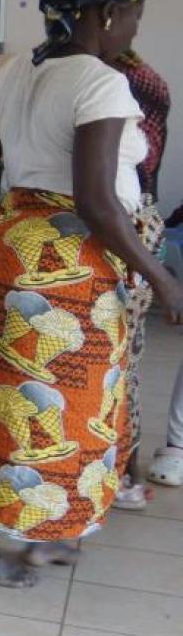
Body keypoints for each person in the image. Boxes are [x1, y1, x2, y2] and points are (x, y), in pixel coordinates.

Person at [0, 0, 182, 587]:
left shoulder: (13, 71)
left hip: (8, 248)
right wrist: (164, 279)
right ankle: (2, 547)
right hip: (70, 270)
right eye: (135, 16)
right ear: (109, 11)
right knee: (64, 414)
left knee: (17, 410)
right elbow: (95, 201)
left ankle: (27, 542)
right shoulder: (99, 82)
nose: (136, 30)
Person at [108, 51, 172, 498]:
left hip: (128, 228)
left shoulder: (135, 82)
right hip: (126, 223)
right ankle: (117, 469)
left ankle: (124, 470)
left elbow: (134, 165)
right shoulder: (127, 76)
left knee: (119, 357)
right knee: (118, 357)